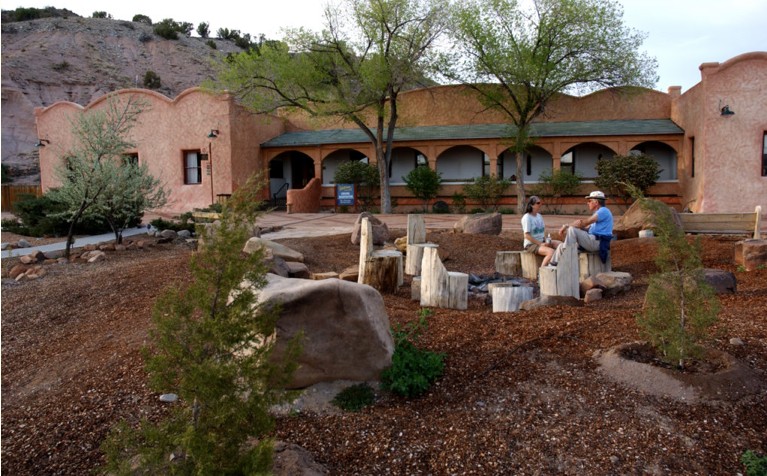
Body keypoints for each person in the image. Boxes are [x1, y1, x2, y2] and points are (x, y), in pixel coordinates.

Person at [549, 191, 613, 266]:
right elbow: (585, 228)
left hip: (598, 242)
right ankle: (552, 266)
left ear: (596, 202)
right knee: (560, 246)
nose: (587, 203)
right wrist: (573, 226)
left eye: (589, 201)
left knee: (572, 230)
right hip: (592, 240)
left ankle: (567, 253)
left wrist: (567, 226)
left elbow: (584, 223)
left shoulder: (603, 211)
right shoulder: (599, 212)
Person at [520, 195, 562, 267]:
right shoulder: (527, 217)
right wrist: (540, 243)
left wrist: (546, 240)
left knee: (561, 245)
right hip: (531, 245)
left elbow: (541, 232)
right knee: (551, 252)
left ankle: (556, 265)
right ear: (532, 205)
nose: (540, 204)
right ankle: (542, 272)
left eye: (540, 202)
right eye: (538, 203)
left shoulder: (539, 216)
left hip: (541, 241)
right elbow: (526, 235)